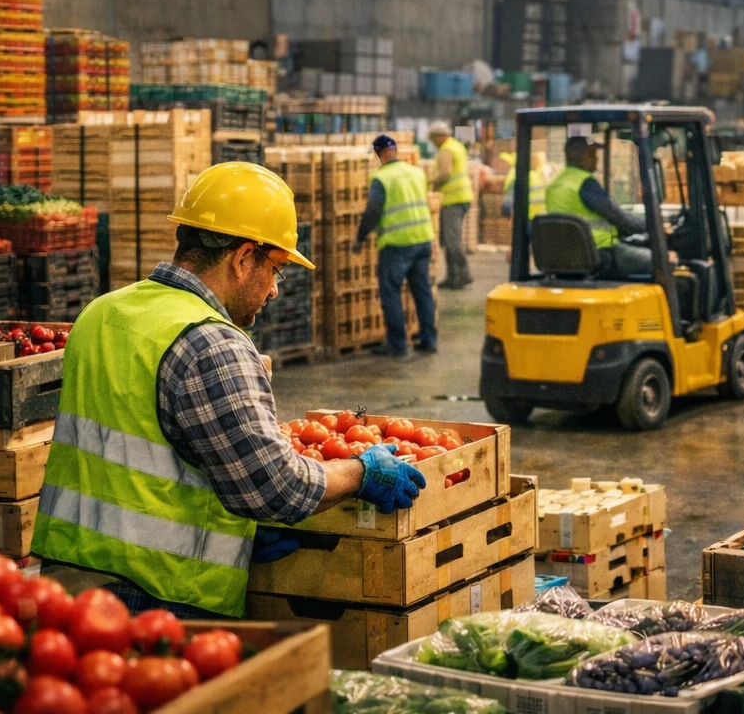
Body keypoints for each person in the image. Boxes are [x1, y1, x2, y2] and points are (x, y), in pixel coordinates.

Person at [31, 163, 427, 617]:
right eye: (276, 269)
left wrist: (236, 532)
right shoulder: (210, 340)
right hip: (160, 600)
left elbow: (138, 455)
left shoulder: (101, 313)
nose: (276, 290)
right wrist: (362, 471)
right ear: (242, 258)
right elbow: (279, 488)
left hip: (67, 589)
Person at [356, 135, 438, 358]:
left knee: (391, 293)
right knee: (422, 292)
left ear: (379, 153)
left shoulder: (381, 178)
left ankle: (397, 344)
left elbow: (373, 211)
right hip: (422, 239)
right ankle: (429, 340)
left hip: (397, 244)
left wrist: (360, 237)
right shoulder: (416, 172)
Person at [545, 136, 652, 277]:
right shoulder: (585, 183)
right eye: (593, 154)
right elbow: (617, 216)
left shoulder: (554, 184)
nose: (597, 159)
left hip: (567, 254)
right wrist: (651, 225)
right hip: (599, 252)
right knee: (660, 259)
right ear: (584, 156)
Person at [427, 121, 473, 290]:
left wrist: (431, 185)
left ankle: (464, 273)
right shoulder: (456, 146)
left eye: (432, 139)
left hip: (454, 198)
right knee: (448, 238)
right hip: (459, 197)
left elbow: (445, 174)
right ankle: (453, 277)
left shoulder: (446, 149)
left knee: (452, 239)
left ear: (438, 137)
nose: (432, 143)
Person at [500, 152, 547, 221]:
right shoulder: (537, 177)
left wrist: (506, 214)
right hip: (540, 219)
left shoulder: (522, 176)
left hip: (526, 218)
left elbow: (508, 203)